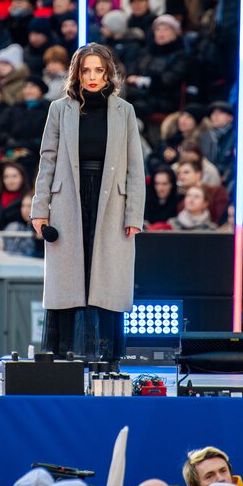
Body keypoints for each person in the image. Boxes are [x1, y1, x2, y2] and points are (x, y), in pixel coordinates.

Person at [31, 44, 146, 363]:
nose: (93, 76)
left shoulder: (125, 111)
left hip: (112, 202)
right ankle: (66, 356)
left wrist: (134, 213)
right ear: (77, 74)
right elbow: (47, 160)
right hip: (68, 200)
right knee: (70, 281)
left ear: (108, 74)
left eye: (99, 70)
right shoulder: (59, 109)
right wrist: (39, 210)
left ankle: (105, 357)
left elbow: (135, 166)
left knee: (106, 281)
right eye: (86, 70)